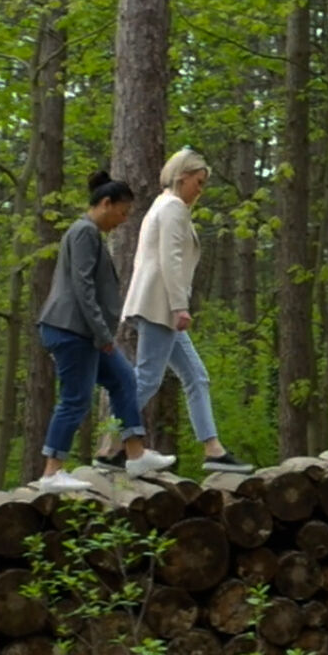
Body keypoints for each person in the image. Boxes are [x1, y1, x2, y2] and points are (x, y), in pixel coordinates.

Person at [108, 147, 253, 473]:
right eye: (198, 182)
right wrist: (179, 306)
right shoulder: (172, 207)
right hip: (161, 306)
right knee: (146, 379)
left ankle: (213, 450)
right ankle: (109, 446)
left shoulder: (163, 205)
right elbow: (170, 260)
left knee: (196, 377)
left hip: (158, 304)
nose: (200, 190)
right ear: (182, 176)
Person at [35, 171, 178, 490]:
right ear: (105, 203)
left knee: (124, 379)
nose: (123, 220)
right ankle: (51, 471)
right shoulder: (84, 232)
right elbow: (82, 286)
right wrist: (102, 333)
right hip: (72, 330)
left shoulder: (88, 233)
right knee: (75, 398)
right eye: (122, 212)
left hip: (82, 330)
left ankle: (136, 454)